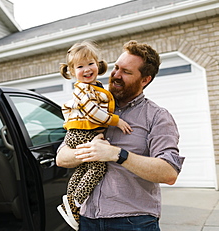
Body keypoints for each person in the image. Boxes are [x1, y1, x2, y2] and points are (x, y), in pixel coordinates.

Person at [56, 40, 185, 231]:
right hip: (87, 219)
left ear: (145, 80)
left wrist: (117, 155)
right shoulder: (93, 104)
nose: (116, 75)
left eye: (126, 72)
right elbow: (61, 157)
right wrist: (92, 150)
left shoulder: (157, 117)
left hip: (133, 222)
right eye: (116, 67)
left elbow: (169, 173)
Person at [57, 40, 132, 230]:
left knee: (83, 169)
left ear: (97, 65)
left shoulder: (95, 86)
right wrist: (116, 120)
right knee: (98, 168)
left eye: (90, 64)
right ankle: (75, 203)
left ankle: (70, 202)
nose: (87, 69)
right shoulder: (82, 89)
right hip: (80, 132)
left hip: (82, 131)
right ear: (73, 73)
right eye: (80, 67)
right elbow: (92, 112)